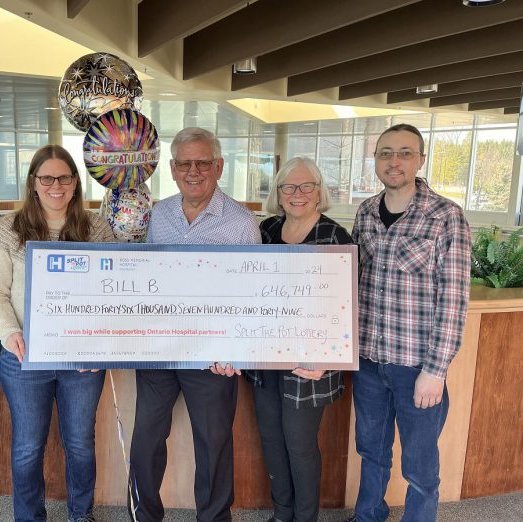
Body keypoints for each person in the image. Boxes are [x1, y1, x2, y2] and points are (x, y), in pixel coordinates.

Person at [128, 127, 262, 522]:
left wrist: (236, 349)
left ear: (218, 166)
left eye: (203, 162)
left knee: (214, 444)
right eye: (184, 163)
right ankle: (145, 516)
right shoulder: (159, 215)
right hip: (160, 348)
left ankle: (215, 518)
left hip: (213, 354)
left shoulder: (241, 223)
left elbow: (251, 293)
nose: (193, 171)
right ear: (171, 169)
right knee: (146, 440)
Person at [0, 144, 115, 522]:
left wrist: (100, 346)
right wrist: (9, 333)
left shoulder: (96, 227)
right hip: (25, 357)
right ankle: (29, 517)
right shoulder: (10, 229)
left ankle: (80, 515)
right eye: (47, 178)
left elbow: (114, 290)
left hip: (81, 361)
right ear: (33, 183)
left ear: (75, 183)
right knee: (27, 446)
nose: (56, 185)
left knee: (80, 445)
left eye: (64, 177)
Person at [346, 124, 471, 522]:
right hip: (367, 360)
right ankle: (368, 516)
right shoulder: (365, 212)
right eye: (385, 153)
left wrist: (436, 371)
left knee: (419, 468)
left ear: (420, 159)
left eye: (403, 152)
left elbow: (453, 300)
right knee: (371, 451)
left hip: (417, 366)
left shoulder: (445, 216)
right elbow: (350, 284)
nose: (393, 161)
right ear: (376, 160)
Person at [246, 157, 352, 522]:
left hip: (310, 363)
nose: (298, 194)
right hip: (265, 357)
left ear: (319, 192)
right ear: (278, 193)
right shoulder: (265, 229)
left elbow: (349, 304)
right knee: (273, 441)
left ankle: (305, 518)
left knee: (300, 445)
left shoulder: (336, 237)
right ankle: (282, 513)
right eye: (289, 187)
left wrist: (328, 358)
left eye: (307, 186)